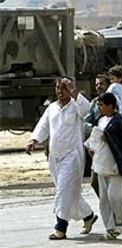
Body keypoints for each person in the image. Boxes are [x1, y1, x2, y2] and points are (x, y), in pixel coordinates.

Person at [25, 77, 97, 240]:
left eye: (64, 88)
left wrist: (75, 93)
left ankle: (61, 227)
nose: (60, 91)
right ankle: (88, 216)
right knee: (69, 192)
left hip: (72, 157)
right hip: (55, 156)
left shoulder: (76, 106)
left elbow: (87, 110)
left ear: (71, 89)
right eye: (58, 88)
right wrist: (33, 141)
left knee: (63, 191)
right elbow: (43, 126)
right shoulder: (52, 108)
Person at [85, 92, 122, 239]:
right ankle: (110, 228)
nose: (99, 107)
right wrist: (92, 149)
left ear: (111, 105)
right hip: (101, 164)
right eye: (98, 105)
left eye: (102, 105)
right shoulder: (100, 120)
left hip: (116, 166)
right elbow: (94, 139)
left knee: (115, 197)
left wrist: (109, 139)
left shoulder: (121, 122)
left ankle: (119, 221)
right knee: (104, 199)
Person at [84, 73, 110, 194]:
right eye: (97, 84)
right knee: (96, 183)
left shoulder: (115, 100)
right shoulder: (94, 103)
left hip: (112, 145)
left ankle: (118, 209)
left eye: (102, 84)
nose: (99, 86)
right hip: (98, 147)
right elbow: (85, 123)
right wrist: (95, 129)